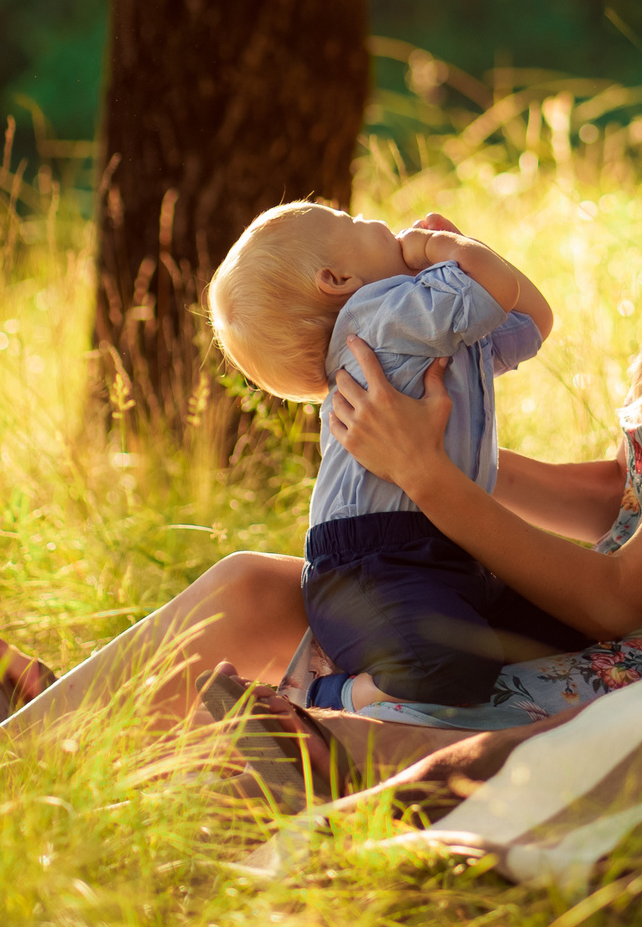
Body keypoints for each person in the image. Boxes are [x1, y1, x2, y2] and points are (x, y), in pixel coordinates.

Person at [0, 31, 642, 768]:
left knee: (332, 703)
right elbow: (630, 492)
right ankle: (1, 749)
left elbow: (622, 593)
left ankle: (45, 755)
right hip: (576, 616)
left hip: (640, 660)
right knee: (251, 582)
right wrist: (443, 457)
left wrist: (431, 477)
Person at [206, 201, 585, 712]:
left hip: (443, 551)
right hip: (372, 562)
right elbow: (501, 290)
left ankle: (372, 678)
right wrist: (439, 248)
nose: (371, 220)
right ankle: (319, 694)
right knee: (450, 671)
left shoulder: (424, 332)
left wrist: (462, 258)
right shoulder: (382, 316)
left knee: (564, 623)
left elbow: (532, 320)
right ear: (337, 279)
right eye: (350, 224)